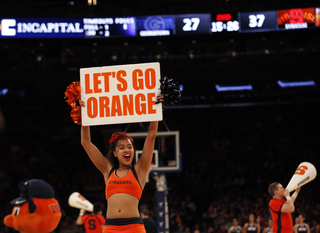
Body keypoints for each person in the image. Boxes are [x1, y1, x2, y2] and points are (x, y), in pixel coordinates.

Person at [80, 95, 163, 233]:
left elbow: (152, 135)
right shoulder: (107, 169)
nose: (127, 150)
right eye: (122, 147)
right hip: (111, 227)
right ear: (115, 153)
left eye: (129, 147)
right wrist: (84, 114)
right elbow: (85, 142)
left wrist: (157, 107)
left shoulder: (140, 169)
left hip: (134, 227)